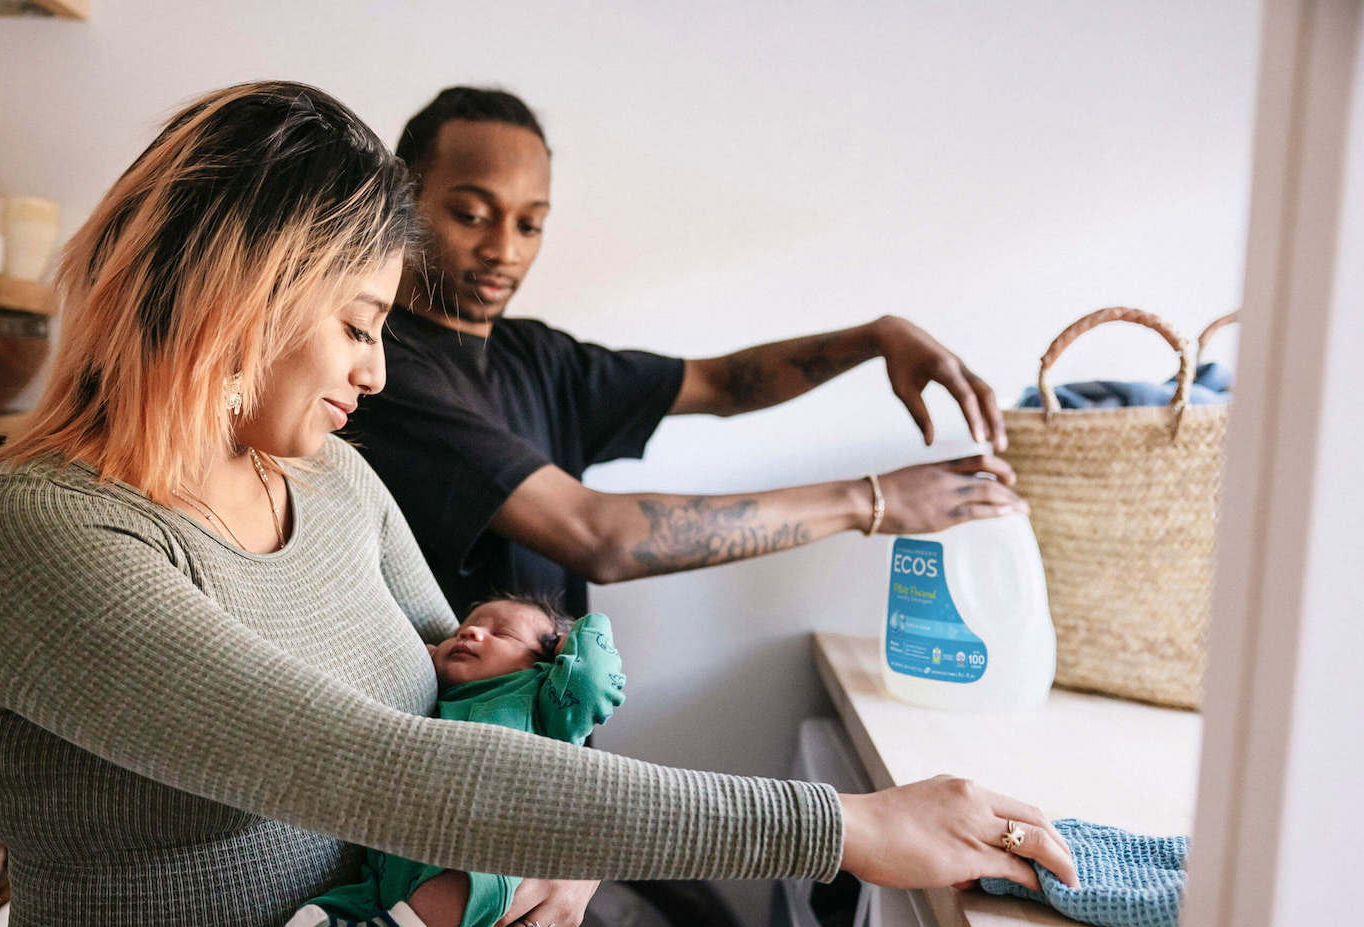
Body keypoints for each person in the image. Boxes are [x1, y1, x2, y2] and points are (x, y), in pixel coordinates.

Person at [0, 81, 1074, 927]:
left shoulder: (327, 483)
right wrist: (838, 827)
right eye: (361, 324)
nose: (377, 371)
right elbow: (375, 770)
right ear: (253, 294)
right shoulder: (39, 542)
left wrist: (564, 862)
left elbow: (486, 722)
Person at [345, 87, 1027, 618]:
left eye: (530, 224)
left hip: (554, 757)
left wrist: (877, 338)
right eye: (472, 214)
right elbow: (598, 536)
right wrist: (867, 501)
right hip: (461, 767)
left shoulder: (537, 357)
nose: (505, 250)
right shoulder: (382, 371)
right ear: (407, 194)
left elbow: (722, 384)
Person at [283, 597, 621, 927]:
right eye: (464, 628)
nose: (470, 633)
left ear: (550, 664)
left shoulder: (544, 709)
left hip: (481, 898)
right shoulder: (434, 701)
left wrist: (584, 631)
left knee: (477, 870)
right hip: (387, 891)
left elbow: (595, 681)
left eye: (501, 633)